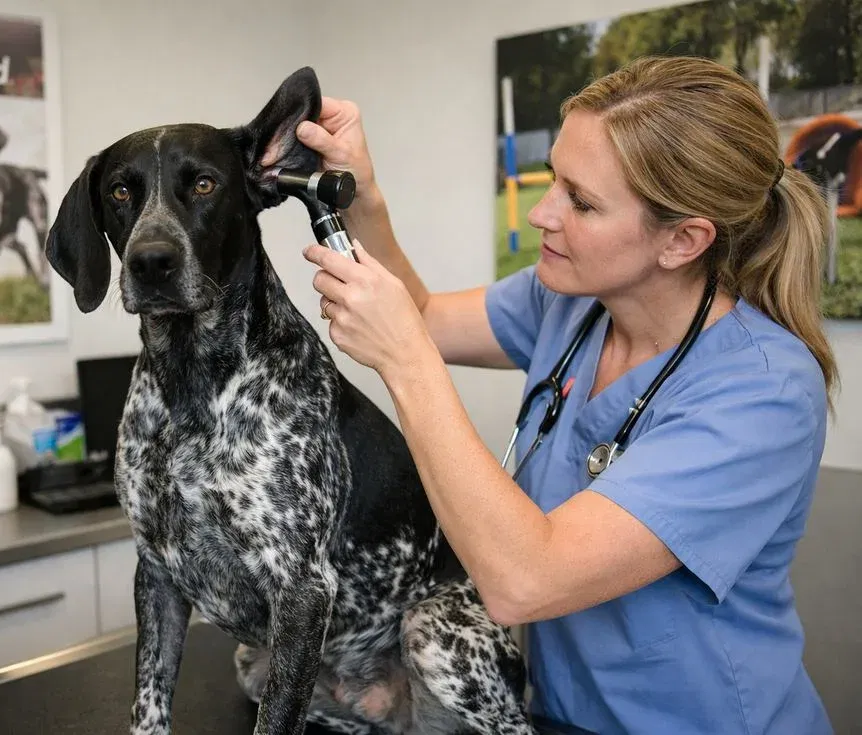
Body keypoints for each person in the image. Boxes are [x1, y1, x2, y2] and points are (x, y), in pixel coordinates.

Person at [295, 55, 837, 734]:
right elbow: (426, 317)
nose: (545, 213)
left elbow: (525, 580)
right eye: (555, 179)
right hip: (561, 715)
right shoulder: (572, 302)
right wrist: (361, 197)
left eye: (580, 201)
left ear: (683, 239)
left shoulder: (763, 390)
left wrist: (404, 363)